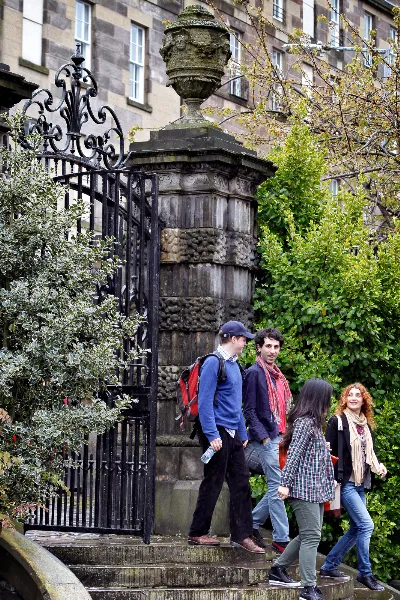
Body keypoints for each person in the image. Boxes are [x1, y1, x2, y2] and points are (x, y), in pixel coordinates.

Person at [188, 321, 264, 553]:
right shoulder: (214, 363)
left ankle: (242, 535)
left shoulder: (234, 366)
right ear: (232, 339)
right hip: (217, 431)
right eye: (243, 339)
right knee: (213, 481)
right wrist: (211, 435)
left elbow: (236, 406)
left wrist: (242, 433)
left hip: (231, 433)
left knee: (241, 482)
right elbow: (204, 403)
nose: (245, 343)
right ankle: (197, 532)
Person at [268, 378, 335, 600]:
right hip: (302, 488)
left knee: (308, 534)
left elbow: (309, 456)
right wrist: (285, 484)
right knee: (312, 537)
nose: (329, 402)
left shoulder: (313, 423)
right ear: (318, 398)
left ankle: (278, 568)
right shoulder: (305, 422)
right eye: (326, 397)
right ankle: (308, 587)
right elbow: (294, 455)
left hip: (315, 489)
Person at [320, 383, 387, 591]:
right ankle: (365, 574)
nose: (354, 398)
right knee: (366, 525)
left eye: (358, 395)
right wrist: (330, 477)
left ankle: (329, 565)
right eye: (351, 395)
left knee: (358, 527)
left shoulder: (365, 425)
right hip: (345, 482)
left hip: (360, 483)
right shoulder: (337, 421)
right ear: (344, 399)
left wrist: (378, 466)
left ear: (364, 400)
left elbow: (370, 454)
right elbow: (326, 452)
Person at [243, 327, 291, 553]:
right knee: (278, 485)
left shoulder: (278, 375)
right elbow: (249, 410)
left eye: (276, 346)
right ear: (259, 347)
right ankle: (282, 539)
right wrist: (263, 438)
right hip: (264, 439)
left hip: (279, 437)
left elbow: (283, 410)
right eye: (268, 346)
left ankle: (251, 523)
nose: (272, 351)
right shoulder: (254, 372)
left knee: (277, 485)